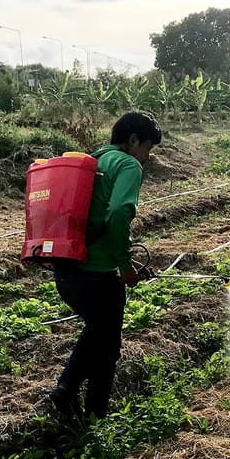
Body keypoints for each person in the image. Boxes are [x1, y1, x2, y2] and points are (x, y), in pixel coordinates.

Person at [49, 111, 162, 423]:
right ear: (134, 140)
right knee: (105, 342)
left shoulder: (93, 161)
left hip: (66, 270)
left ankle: (81, 406)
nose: (147, 158)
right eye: (148, 149)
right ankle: (73, 394)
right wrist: (126, 268)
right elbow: (116, 214)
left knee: (101, 335)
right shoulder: (128, 164)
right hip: (97, 276)